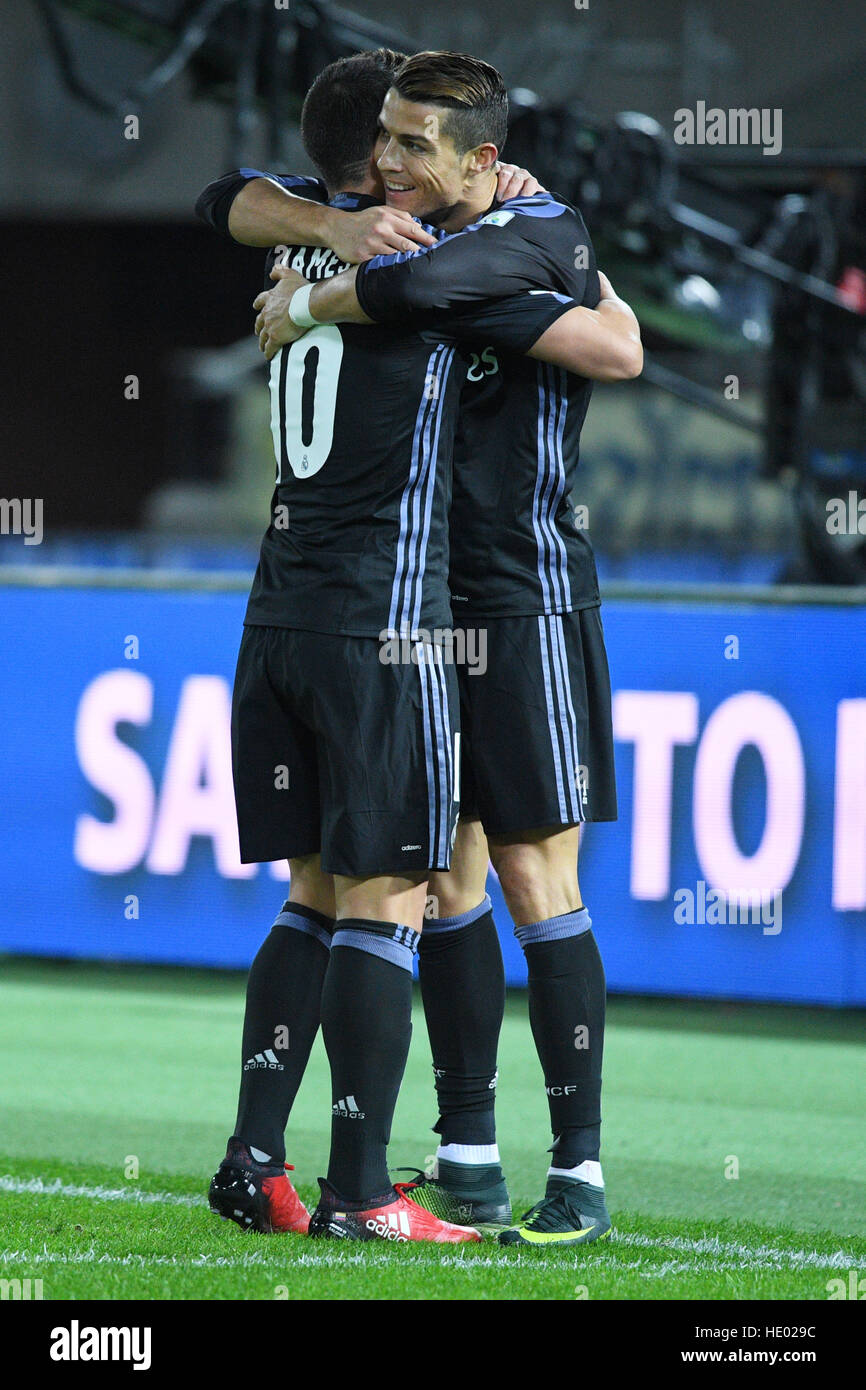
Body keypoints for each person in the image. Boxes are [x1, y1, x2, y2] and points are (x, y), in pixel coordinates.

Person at [197, 48, 640, 1244]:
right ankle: (455, 1156)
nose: (393, 161)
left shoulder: (484, 244)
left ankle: (577, 1171)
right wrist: (328, 242)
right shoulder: (388, 234)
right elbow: (242, 196)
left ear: (475, 159)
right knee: (425, 881)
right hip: (406, 607)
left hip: (517, 592)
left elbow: (619, 348)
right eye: (383, 142)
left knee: (520, 879)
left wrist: (303, 295)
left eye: (416, 143)